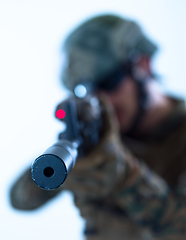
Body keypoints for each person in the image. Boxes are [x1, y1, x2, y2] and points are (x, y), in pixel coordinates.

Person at [10, 14, 186, 239]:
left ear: (143, 64)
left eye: (109, 82)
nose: (105, 101)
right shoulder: (100, 138)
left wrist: (124, 177)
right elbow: (19, 200)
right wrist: (71, 168)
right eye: (92, 91)